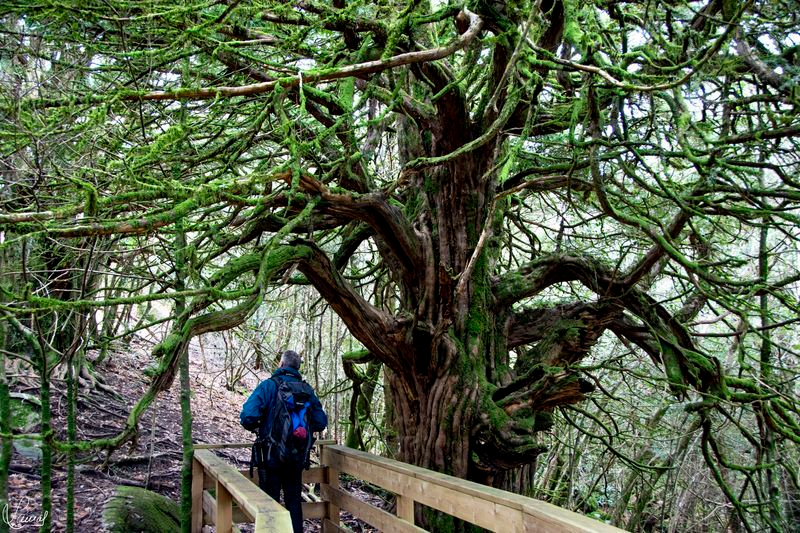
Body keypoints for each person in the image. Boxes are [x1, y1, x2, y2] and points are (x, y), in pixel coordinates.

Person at [240, 350, 328, 533]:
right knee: (294, 502)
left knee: (269, 502)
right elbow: (321, 422)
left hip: (270, 456)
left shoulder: (269, 386)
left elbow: (247, 416)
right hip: (296, 457)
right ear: (297, 368)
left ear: (281, 364)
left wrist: (259, 427)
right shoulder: (306, 390)